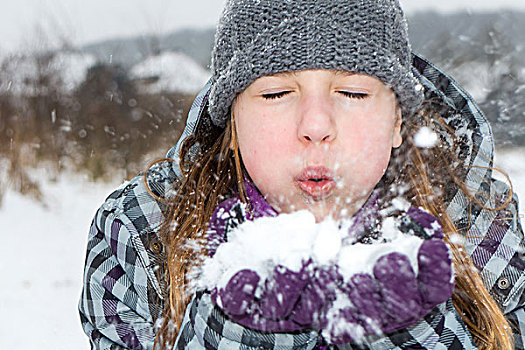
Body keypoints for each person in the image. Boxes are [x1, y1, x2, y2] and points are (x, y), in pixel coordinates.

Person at [78, 0, 525, 349]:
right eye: (275, 93)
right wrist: (241, 341)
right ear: (231, 124)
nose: (315, 126)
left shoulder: (478, 225)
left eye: (351, 91)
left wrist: (416, 337)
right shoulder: (144, 235)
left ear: (396, 122)